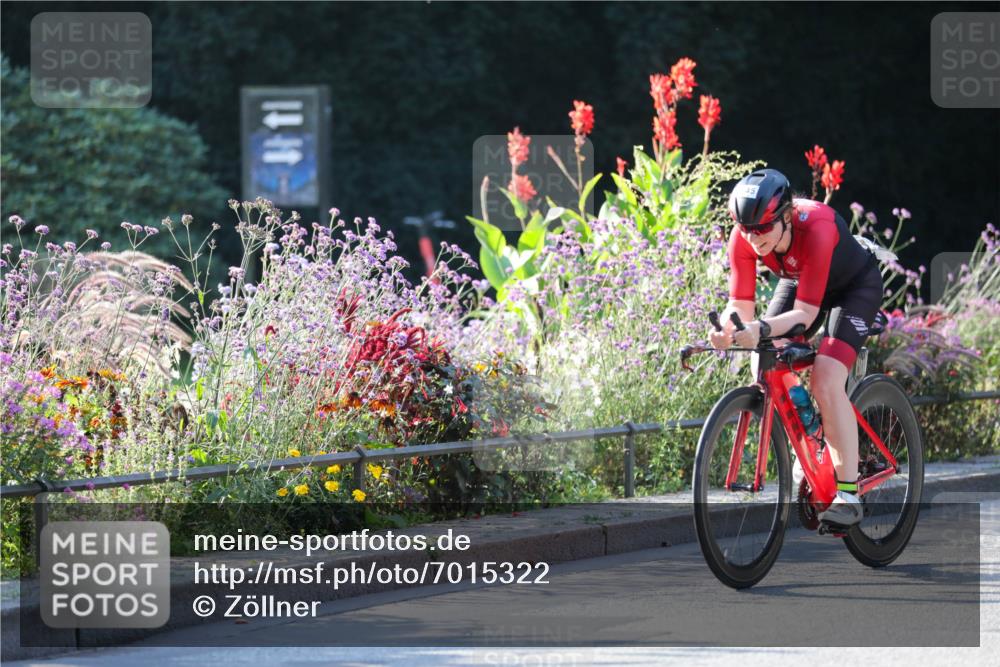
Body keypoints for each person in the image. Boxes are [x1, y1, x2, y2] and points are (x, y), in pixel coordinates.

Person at [709, 168, 884, 527]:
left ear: (786, 217)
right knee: (765, 359)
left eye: (762, 229)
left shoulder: (816, 228)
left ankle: (848, 494)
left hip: (854, 288)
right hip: (803, 279)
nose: (753, 238)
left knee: (826, 377)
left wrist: (758, 328)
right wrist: (727, 327)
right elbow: (740, 304)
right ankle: (812, 444)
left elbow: (804, 314)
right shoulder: (744, 235)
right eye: (746, 229)